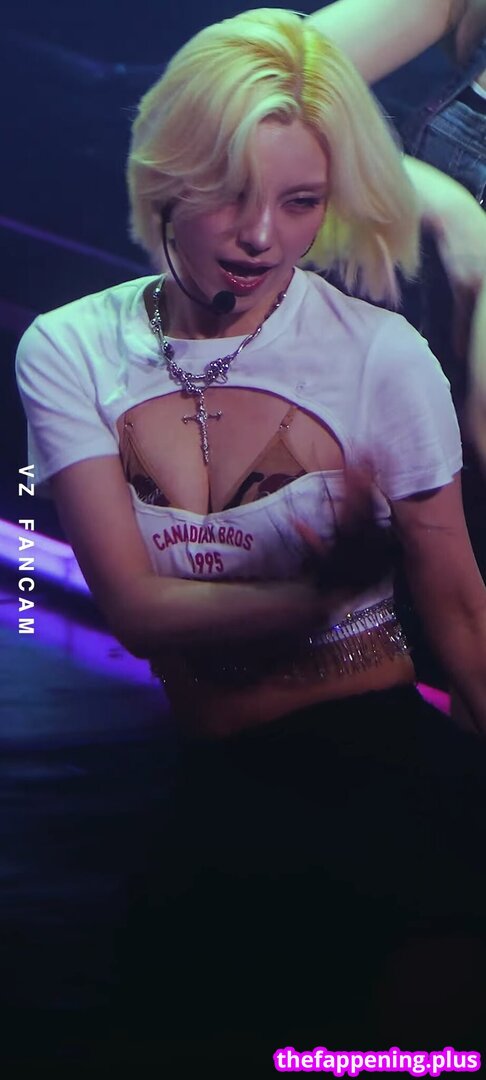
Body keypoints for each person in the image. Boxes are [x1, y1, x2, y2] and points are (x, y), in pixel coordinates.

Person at [15, 6, 486, 1062]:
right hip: (218, 798)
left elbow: (461, 616)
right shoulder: (70, 347)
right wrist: (321, 591)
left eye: (301, 202)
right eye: (229, 193)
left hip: (393, 791)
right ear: (165, 179)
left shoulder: (381, 353)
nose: (260, 236)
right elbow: (135, 611)